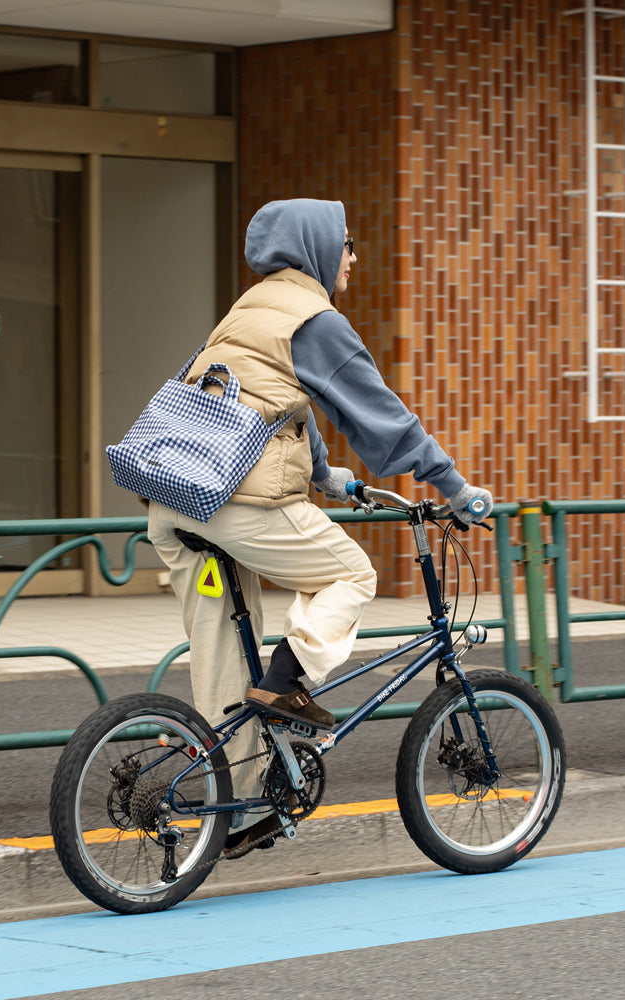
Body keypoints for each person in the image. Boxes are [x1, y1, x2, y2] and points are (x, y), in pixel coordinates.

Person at [147, 198, 492, 857]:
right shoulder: (313, 317)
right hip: (237, 499)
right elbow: (380, 415)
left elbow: (266, 401)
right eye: (348, 242)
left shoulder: (245, 311)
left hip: (175, 499)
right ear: (316, 246)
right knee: (350, 572)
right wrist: (453, 486)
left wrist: (327, 476)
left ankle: (240, 809)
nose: (354, 258)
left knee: (224, 653)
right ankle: (290, 676)